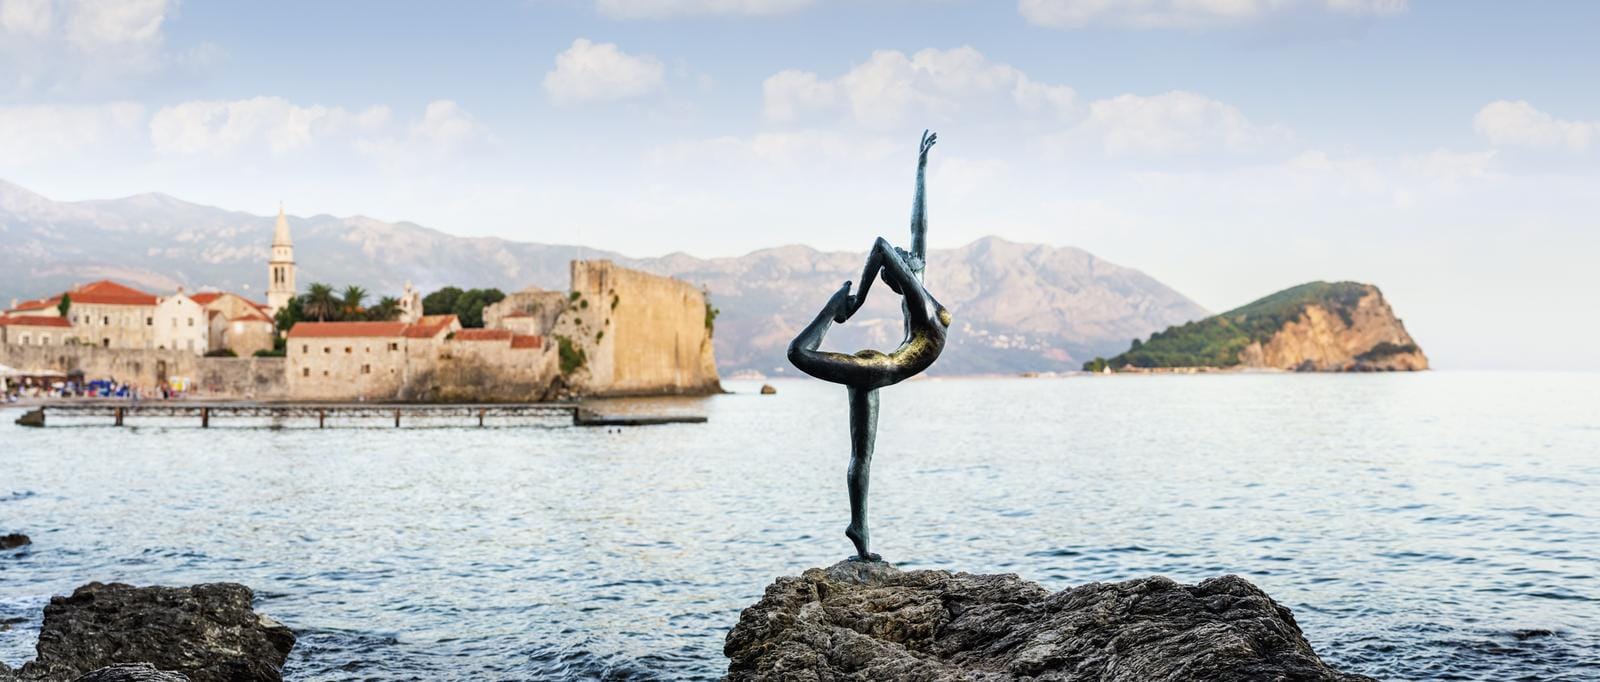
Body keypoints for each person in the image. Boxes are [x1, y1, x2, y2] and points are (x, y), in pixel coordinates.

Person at [787, 130, 951, 561]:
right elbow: (882, 245)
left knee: (863, 455)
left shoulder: (923, 303)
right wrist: (852, 301)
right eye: (906, 259)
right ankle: (829, 310)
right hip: (879, 368)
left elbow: (919, 229)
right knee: (798, 354)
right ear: (903, 274)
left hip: (878, 369)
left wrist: (920, 171)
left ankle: (859, 527)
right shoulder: (923, 314)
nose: (909, 252)